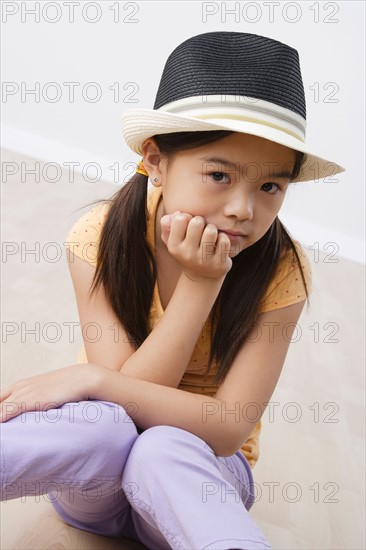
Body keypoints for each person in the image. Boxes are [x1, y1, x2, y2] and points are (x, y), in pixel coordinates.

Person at [0, 31, 344, 550]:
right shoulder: (100, 235)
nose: (243, 209)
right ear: (155, 162)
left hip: (197, 480)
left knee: (162, 447)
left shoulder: (281, 270)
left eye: (270, 186)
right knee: (102, 427)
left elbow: (227, 430)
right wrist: (103, 387)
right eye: (218, 174)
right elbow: (120, 413)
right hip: (95, 482)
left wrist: (95, 376)